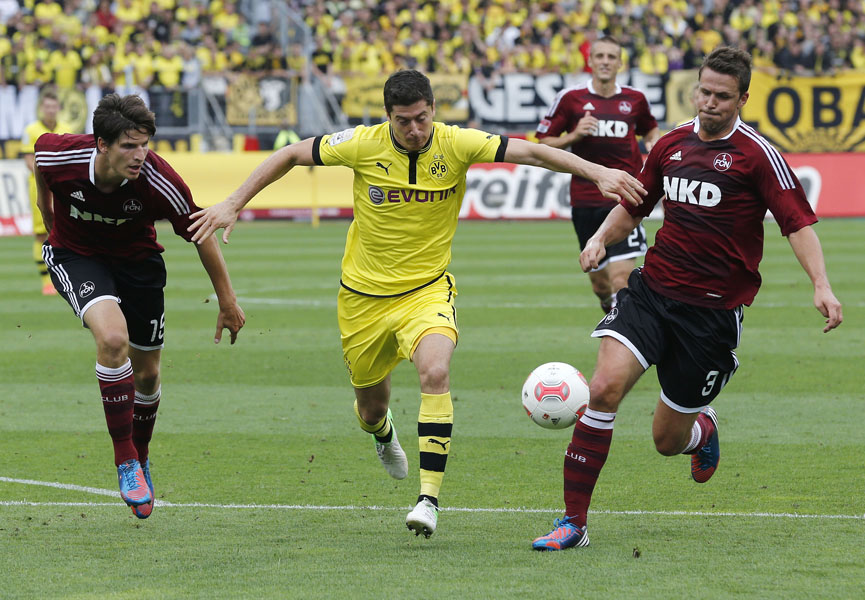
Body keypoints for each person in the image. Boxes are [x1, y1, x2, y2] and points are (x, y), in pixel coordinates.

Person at [188, 69, 645, 538]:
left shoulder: (457, 143)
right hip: (362, 299)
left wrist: (598, 171)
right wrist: (234, 202)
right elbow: (289, 154)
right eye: (404, 121)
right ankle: (384, 435)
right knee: (370, 407)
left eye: (422, 119)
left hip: (427, 290)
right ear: (387, 117)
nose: (414, 130)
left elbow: (530, 151)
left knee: (435, 372)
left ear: (434, 111)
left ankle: (428, 499)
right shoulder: (361, 144)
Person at [531, 47, 843, 551]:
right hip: (652, 293)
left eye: (722, 96)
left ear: (743, 97)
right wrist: (600, 240)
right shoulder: (672, 143)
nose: (710, 102)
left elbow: (797, 222)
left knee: (665, 441)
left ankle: (701, 429)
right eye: (704, 91)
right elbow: (636, 205)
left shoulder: (758, 155)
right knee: (604, 387)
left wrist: (821, 284)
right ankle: (573, 523)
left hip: (712, 315)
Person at [34, 94, 246, 519]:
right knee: (113, 339)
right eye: (129, 145)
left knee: (147, 373)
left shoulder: (157, 179)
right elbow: (40, 163)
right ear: (102, 145)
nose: (140, 154)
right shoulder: (62, 155)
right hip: (78, 257)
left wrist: (227, 299)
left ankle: (142, 454)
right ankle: (125, 460)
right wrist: (48, 215)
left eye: (144, 143)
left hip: (138, 265)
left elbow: (200, 232)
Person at [536, 36, 660, 314]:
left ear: (620, 62)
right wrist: (576, 134)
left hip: (625, 197)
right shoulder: (570, 99)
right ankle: (607, 305)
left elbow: (650, 129)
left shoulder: (635, 99)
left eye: (611, 57)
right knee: (601, 284)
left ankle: (622, 334)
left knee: (621, 280)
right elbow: (543, 143)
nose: (605, 62)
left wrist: (653, 144)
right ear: (590, 61)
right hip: (585, 200)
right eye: (600, 56)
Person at [21, 90, 74, 295]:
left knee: (65, 231)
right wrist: (50, 175)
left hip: (62, 187)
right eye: (47, 107)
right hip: (39, 186)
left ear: (58, 108)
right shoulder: (31, 130)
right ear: (42, 108)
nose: (51, 110)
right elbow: (28, 161)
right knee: (41, 233)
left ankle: (66, 274)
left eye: (54, 107)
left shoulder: (67, 129)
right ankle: (46, 282)